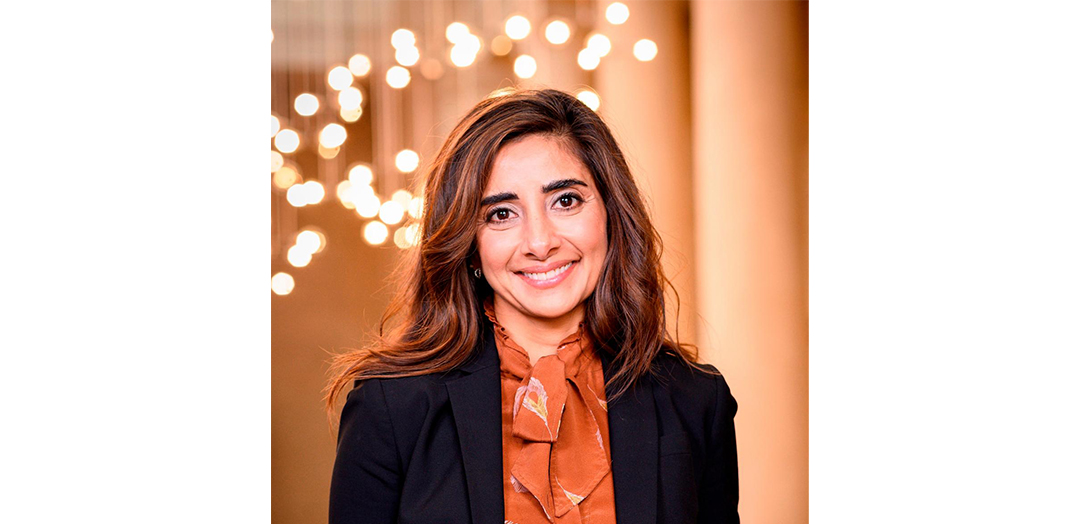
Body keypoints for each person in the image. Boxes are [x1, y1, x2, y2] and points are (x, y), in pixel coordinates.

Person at [325, 88, 739, 524]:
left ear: (612, 214)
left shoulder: (694, 400)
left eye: (566, 200)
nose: (540, 243)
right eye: (501, 214)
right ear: (468, 243)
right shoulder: (391, 407)